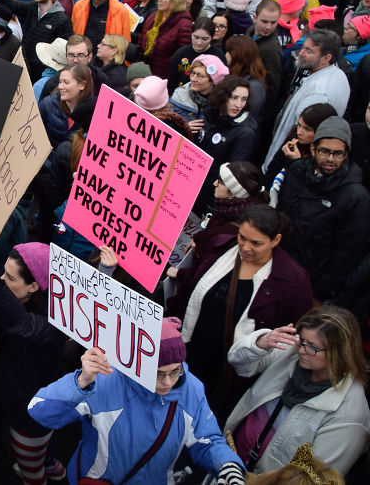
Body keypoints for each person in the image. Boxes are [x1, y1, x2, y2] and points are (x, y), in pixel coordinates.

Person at [28, 317, 247, 484]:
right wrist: (81, 381)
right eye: (158, 374)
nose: (168, 382)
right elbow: (39, 411)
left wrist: (228, 464)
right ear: (137, 367)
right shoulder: (105, 380)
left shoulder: (192, 388)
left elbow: (208, 440)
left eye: (175, 371)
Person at [169, 205, 313, 410]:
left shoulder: (293, 282)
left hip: (229, 374)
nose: (245, 247)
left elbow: (291, 335)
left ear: (276, 240)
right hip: (189, 351)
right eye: (242, 237)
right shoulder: (220, 245)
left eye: (256, 243)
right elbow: (190, 286)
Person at [225, 306, 370, 475]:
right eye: (302, 341)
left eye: (312, 347)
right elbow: (238, 363)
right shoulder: (291, 352)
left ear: (338, 353)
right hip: (230, 460)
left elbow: (316, 477)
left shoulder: (349, 415)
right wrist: (260, 342)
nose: (301, 350)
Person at [0, 244, 68, 483]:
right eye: (2, 272)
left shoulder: (52, 324)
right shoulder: (41, 300)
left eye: (10, 277)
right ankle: (53, 467)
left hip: (31, 414)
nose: (2, 279)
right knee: (42, 451)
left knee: (31, 471)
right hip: (30, 402)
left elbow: (22, 325)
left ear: (34, 286)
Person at [276, 116, 370, 302]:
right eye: (324, 151)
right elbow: (282, 214)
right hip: (279, 264)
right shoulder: (296, 171)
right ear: (313, 149)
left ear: (346, 154)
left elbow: (346, 254)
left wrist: (320, 292)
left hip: (311, 285)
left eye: (337, 153)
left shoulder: (356, 197)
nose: (330, 159)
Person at [263, 29, 350, 172]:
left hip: (287, 165)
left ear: (326, 58)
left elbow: (300, 136)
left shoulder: (319, 92)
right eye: (303, 48)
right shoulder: (337, 74)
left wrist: (274, 169)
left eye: (309, 51)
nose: (301, 53)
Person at [0, 0, 73, 82]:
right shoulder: (32, 7)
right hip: (24, 66)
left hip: (43, 73)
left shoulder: (62, 20)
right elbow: (10, 4)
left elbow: (64, 49)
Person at [194, 76, 258, 213]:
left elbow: (231, 173)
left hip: (209, 194)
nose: (238, 105)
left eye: (243, 99)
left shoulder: (245, 133)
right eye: (234, 98)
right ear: (223, 96)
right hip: (192, 181)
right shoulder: (210, 114)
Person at [264, 103, 338, 190]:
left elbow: (310, 187)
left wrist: (297, 162)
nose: (299, 132)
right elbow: (272, 170)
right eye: (299, 125)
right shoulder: (294, 139)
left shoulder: (328, 156)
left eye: (307, 129)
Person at [70, 0, 134, 51]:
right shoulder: (78, 7)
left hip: (109, 59)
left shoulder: (121, 10)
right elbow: (73, 34)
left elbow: (126, 41)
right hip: (83, 56)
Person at [140, 0, 195, 78]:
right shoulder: (153, 17)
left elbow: (183, 59)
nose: (160, 0)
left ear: (176, 0)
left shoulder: (184, 24)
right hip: (146, 72)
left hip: (166, 77)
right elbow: (141, 43)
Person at [39, 63, 94, 149]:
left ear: (82, 85)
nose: (60, 86)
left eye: (66, 82)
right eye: (60, 82)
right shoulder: (47, 104)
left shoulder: (95, 112)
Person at [168, 17, 224, 94]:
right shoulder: (181, 54)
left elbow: (222, 85)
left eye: (205, 39)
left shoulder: (218, 56)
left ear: (212, 37)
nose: (199, 42)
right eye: (196, 37)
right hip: (182, 97)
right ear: (191, 34)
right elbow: (172, 83)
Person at [171, 54, 229, 127]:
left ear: (213, 81)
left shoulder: (224, 103)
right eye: (193, 73)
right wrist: (183, 128)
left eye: (200, 76)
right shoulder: (180, 96)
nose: (193, 79)